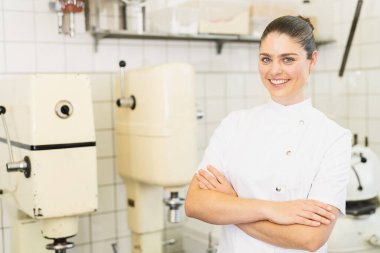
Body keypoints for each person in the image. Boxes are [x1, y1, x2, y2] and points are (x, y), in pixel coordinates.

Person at [185, 15, 351, 253]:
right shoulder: (234, 124)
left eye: (288, 59)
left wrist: (233, 204)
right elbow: (195, 203)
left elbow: (310, 238)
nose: (274, 70)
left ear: (312, 60)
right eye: (266, 59)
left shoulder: (333, 138)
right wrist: (271, 209)